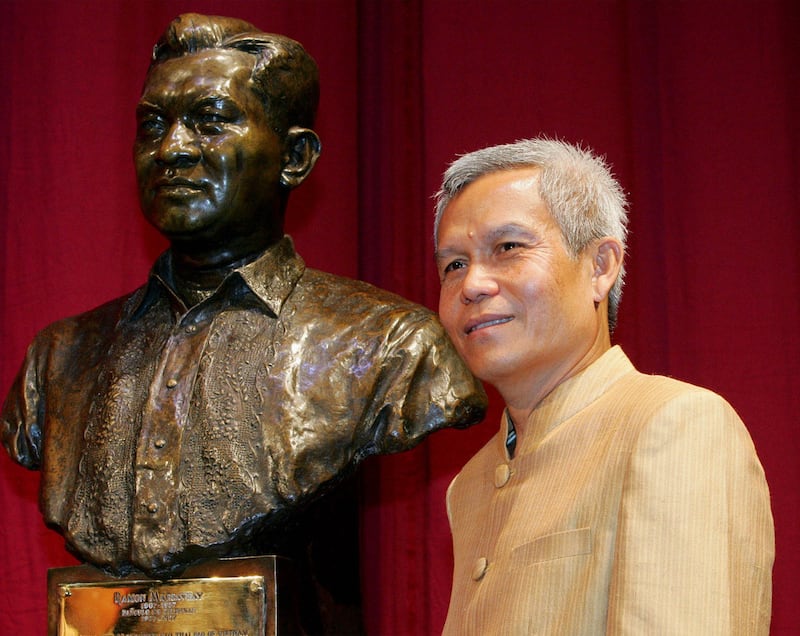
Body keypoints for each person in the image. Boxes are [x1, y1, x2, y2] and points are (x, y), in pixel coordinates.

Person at [0, 13, 486, 634]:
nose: (172, 149)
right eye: (153, 125)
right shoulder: (59, 359)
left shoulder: (389, 345)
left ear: (295, 157)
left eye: (210, 120)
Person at [433, 137, 774, 634]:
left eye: (508, 248)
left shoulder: (675, 424)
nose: (472, 285)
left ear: (600, 266)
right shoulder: (470, 484)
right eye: (454, 265)